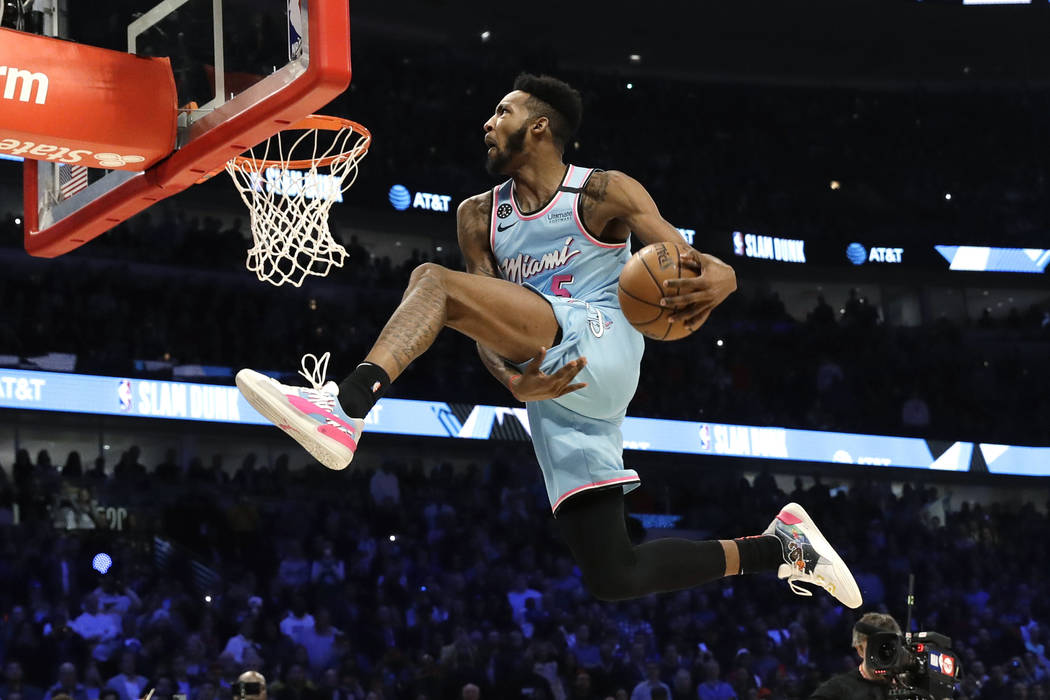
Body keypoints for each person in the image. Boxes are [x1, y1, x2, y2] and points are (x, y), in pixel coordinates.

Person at [235, 73, 862, 607]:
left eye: (502, 111)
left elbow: (683, 259)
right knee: (615, 574)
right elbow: (480, 321)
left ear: (540, 128)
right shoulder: (477, 214)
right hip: (550, 387)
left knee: (430, 279)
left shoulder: (600, 190)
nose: (487, 122)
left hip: (602, 338)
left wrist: (724, 275)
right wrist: (512, 381)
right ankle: (781, 547)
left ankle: (345, 408)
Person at [808, 613, 900, 699]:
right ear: (860, 649)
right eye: (878, 648)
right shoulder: (835, 691)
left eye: (889, 647)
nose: (885, 653)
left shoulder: (908, 685)